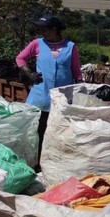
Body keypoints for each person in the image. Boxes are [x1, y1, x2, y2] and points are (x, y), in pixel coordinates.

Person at [16, 15, 82, 149]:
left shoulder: (70, 47)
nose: (42, 32)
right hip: (40, 97)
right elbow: (20, 59)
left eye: (45, 29)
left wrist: (80, 90)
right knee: (38, 131)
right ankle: (38, 160)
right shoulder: (37, 44)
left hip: (62, 98)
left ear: (55, 30)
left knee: (58, 131)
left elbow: (76, 72)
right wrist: (29, 74)